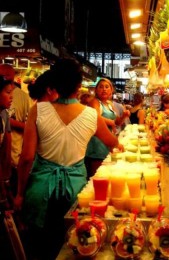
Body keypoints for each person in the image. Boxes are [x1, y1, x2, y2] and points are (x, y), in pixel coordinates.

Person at [14, 58, 121, 260]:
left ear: (53, 84)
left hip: (40, 191)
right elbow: (112, 142)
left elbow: (27, 157)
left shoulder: (39, 109)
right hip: (75, 193)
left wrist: (20, 193)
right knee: (75, 247)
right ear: (79, 86)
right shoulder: (91, 114)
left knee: (41, 248)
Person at [0, 64, 33, 196]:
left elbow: (28, 125)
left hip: (14, 159)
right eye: (8, 93)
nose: (11, 97)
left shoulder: (22, 97)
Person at [85, 78, 127, 177]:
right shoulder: (94, 102)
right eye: (101, 87)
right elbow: (95, 117)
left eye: (107, 87)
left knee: (105, 175)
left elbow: (116, 123)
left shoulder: (109, 104)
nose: (104, 89)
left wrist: (124, 116)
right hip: (97, 145)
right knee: (97, 177)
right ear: (96, 90)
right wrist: (111, 122)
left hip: (107, 143)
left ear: (111, 90)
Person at [0, 76, 14, 210]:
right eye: (8, 93)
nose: (12, 98)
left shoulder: (4, 113)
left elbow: (6, 146)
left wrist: (6, 177)